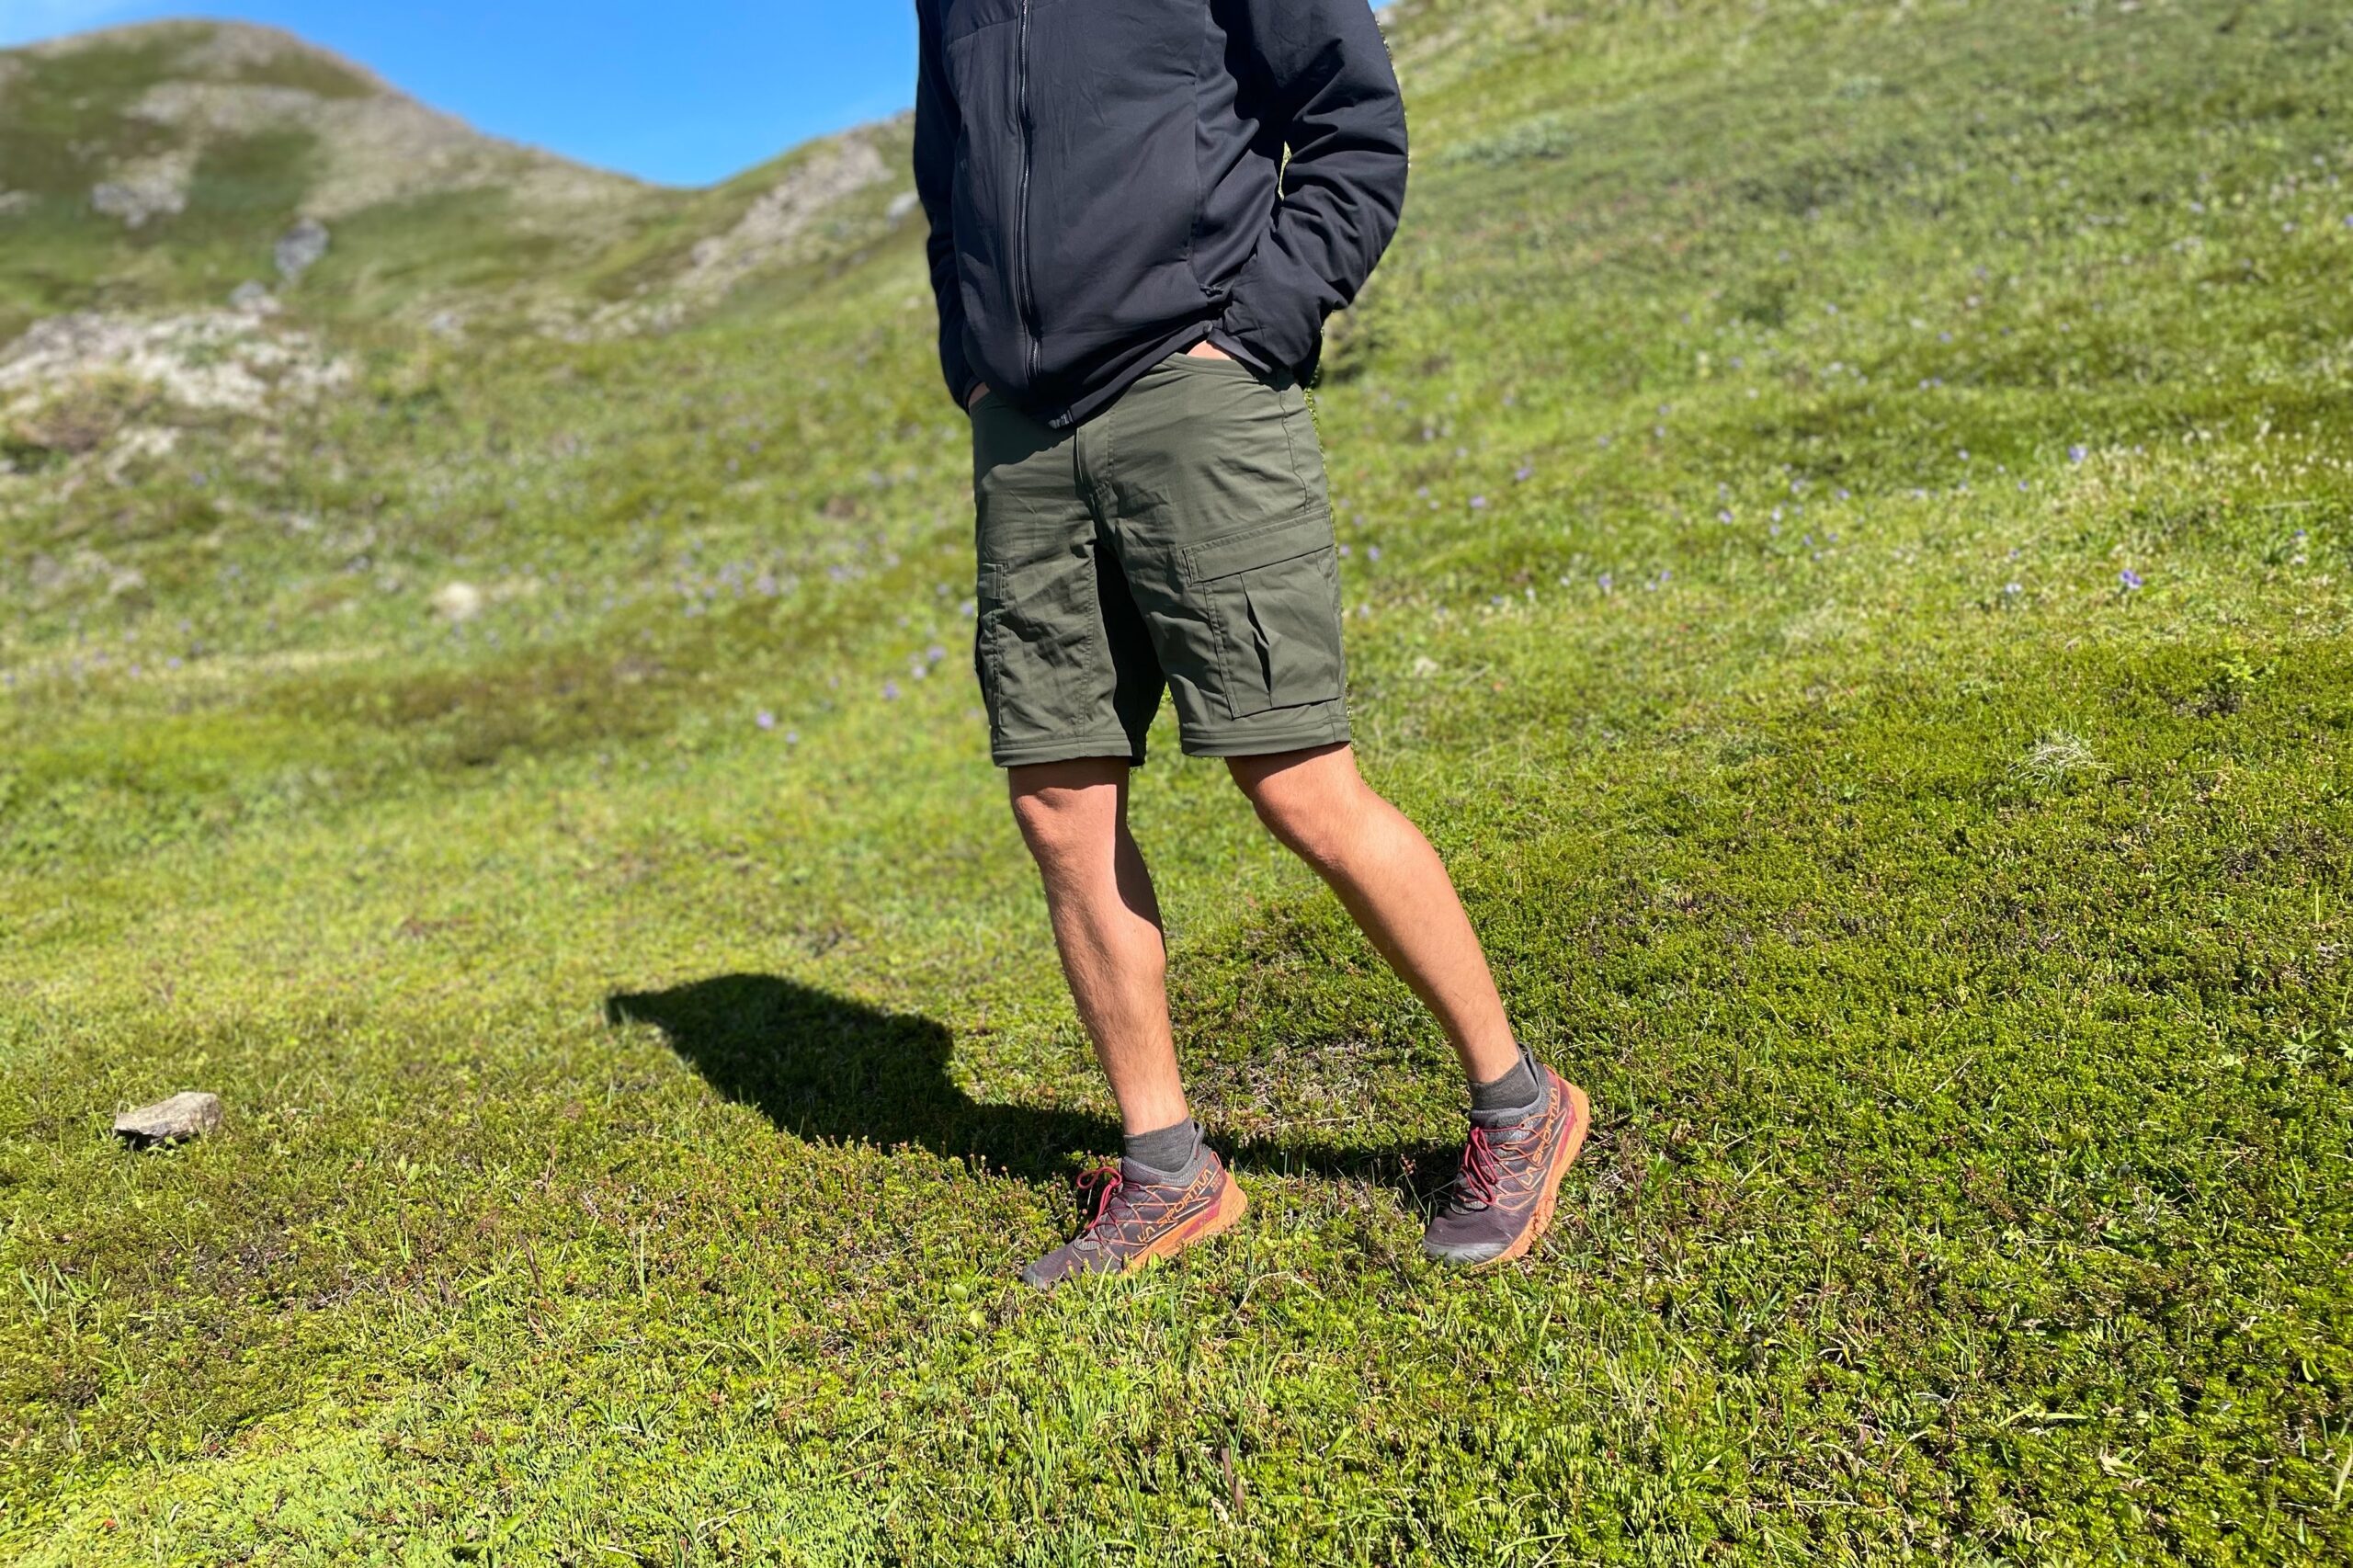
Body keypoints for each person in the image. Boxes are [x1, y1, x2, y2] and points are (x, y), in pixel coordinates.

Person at [912, 0, 1589, 1288]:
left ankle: (1518, 1101)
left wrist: (1257, 328)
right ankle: (1167, 1169)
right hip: (1027, 438)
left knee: (1295, 779)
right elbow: (950, 181)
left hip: (1195, 388)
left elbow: (1352, 128)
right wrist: (977, 366)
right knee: (1058, 800)